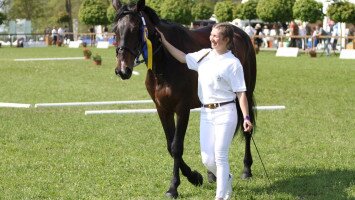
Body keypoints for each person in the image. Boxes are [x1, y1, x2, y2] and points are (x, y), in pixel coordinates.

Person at [156, 23, 253, 200]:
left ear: (227, 40)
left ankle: (221, 196)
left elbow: (241, 93)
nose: (211, 38)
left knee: (220, 155)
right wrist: (164, 41)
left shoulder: (233, 63)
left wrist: (246, 116)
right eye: (212, 35)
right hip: (207, 114)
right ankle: (227, 178)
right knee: (207, 160)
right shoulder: (204, 55)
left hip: (226, 112)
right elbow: (183, 58)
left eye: (216, 36)